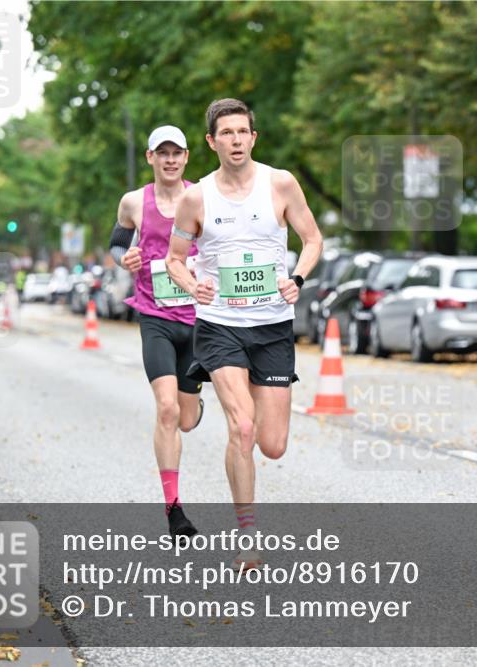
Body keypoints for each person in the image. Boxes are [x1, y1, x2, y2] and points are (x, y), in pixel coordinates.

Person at [166, 99, 323, 570]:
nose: (236, 140)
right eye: (226, 133)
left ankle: (242, 437)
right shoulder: (197, 198)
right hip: (220, 327)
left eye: (243, 132)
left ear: (254, 138)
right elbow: (175, 258)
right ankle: (248, 536)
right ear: (212, 142)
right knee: (243, 426)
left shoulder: (281, 183)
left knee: (272, 443)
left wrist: (296, 278)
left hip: (272, 326)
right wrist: (194, 284)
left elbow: (313, 239)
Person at [109, 125, 205, 538]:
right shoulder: (133, 202)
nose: (169, 159)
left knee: (185, 418)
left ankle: (196, 405)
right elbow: (116, 243)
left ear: (186, 157)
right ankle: (174, 511)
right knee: (166, 409)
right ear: (150, 157)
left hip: (199, 319)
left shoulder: (202, 196)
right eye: (161, 153)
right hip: (155, 317)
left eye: (176, 153)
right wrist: (123, 259)